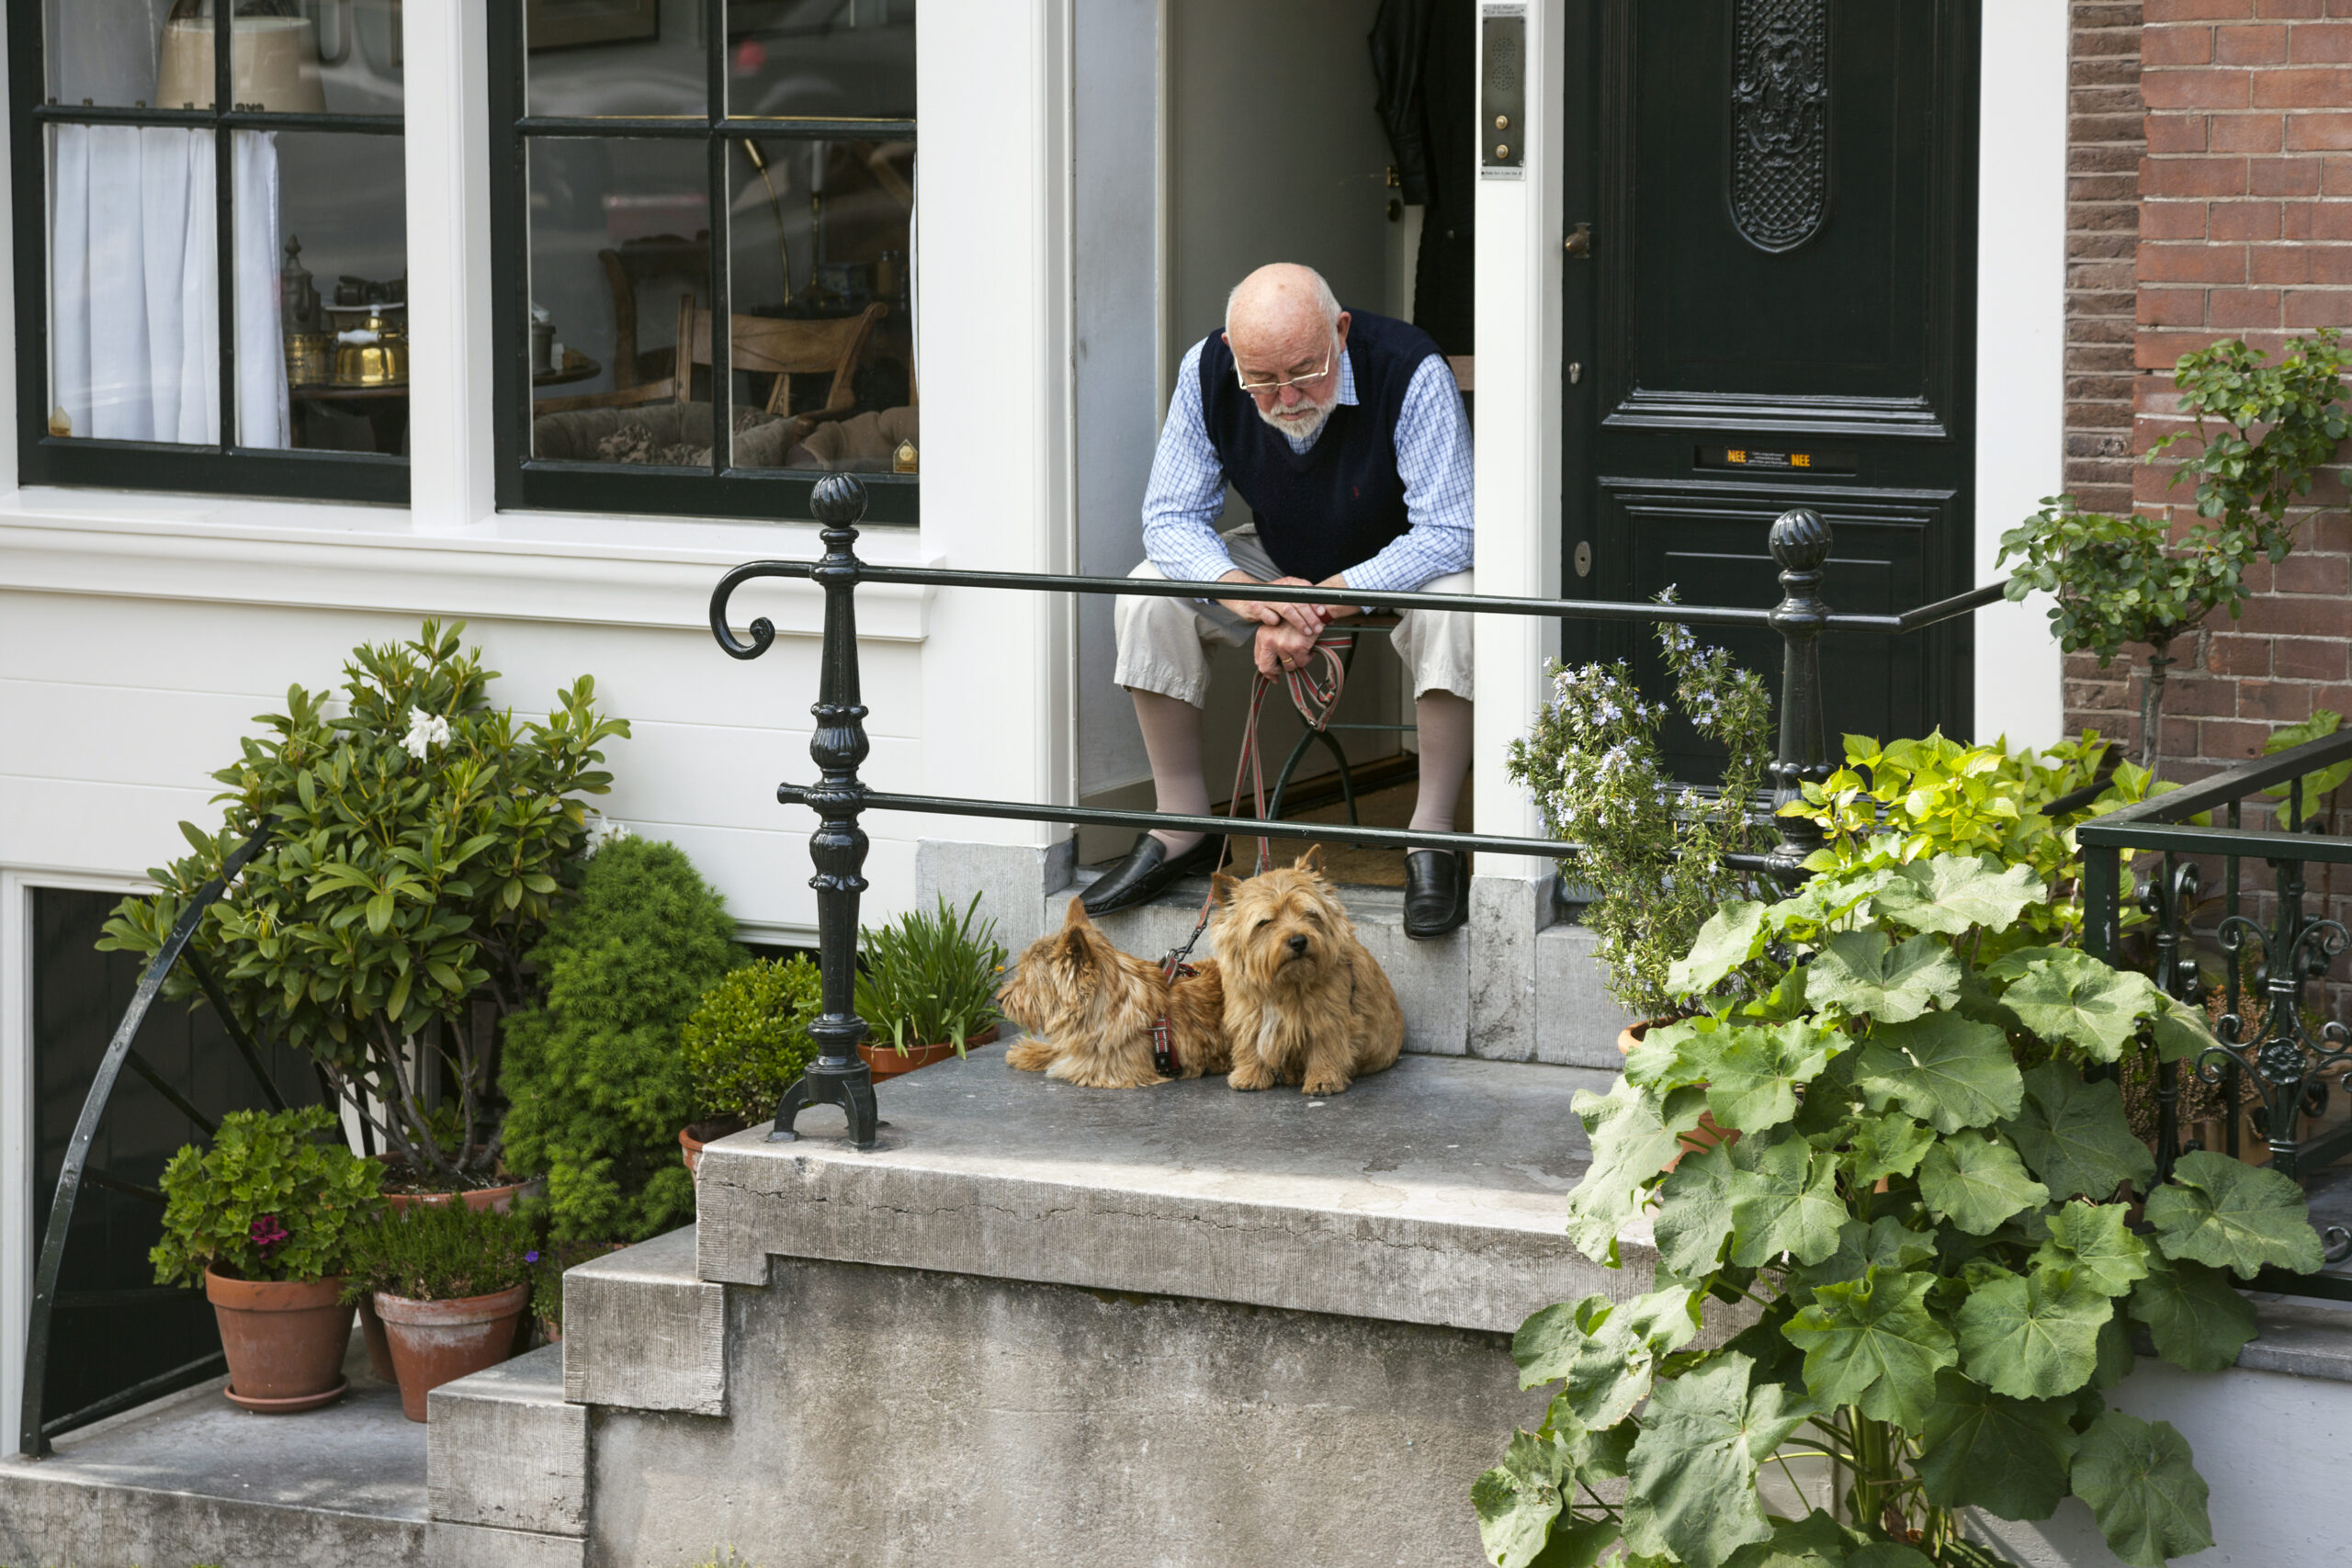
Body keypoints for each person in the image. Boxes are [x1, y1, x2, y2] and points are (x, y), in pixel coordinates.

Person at [1085, 262, 1475, 941]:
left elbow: (1450, 529)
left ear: (1340, 332)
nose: (1287, 397)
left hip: (1396, 559)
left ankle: (1433, 835)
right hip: (1277, 557)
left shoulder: (1409, 368)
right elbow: (1169, 519)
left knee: (1461, 602)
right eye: (1261, 379)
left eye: (1305, 371)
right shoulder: (1208, 370)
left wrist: (1323, 602)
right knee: (1148, 594)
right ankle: (1182, 826)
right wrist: (1254, 600)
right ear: (1234, 354)